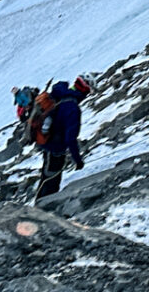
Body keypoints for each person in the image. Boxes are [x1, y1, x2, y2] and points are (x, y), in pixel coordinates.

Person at [34, 74, 92, 202]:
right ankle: (42, 210)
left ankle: (38, 207)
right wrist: (78, 160)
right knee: (51, 181)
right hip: (56, 148)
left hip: (46, 142)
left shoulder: (59, 94)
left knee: (46, 177)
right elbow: (70, 139)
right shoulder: (73, 109)